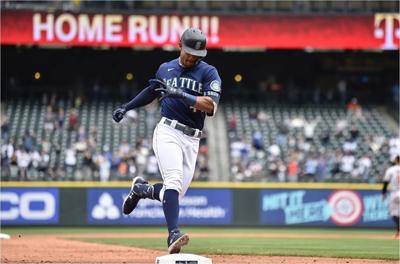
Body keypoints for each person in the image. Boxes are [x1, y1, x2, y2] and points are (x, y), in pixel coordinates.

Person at [112, 28, 222, 253]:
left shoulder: (209, 72)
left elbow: (210, 106)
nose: (192, 57)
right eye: (189, 52)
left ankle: (141, 189)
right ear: (179, 45)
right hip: (168, 131)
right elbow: (151, 91)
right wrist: (127, 106)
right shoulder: (166, 68)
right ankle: (173, 234)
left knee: (175, 194)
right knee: (172, 182)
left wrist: (181, 94)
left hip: (192, 138)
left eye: (197, 55)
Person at [382, 155, 400, 238]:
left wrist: (383, 193)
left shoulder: (391, 169)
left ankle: (398, 231)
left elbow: (386, 182)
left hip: (394, 193)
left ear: (396, 160)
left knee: (394, 213)